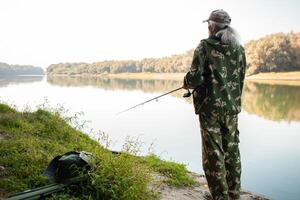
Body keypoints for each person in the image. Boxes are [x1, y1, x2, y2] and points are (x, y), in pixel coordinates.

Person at [183, 9, 246, 200]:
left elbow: (194, 79)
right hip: (231, 110)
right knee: (232, 152)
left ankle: (220, 197)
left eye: (208, 24)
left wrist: (186, 82)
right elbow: (241, 77)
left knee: (213, 155)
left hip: (210, 110)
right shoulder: (239, 49)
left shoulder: (204, 47)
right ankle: (233, 195)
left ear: (211, 26)